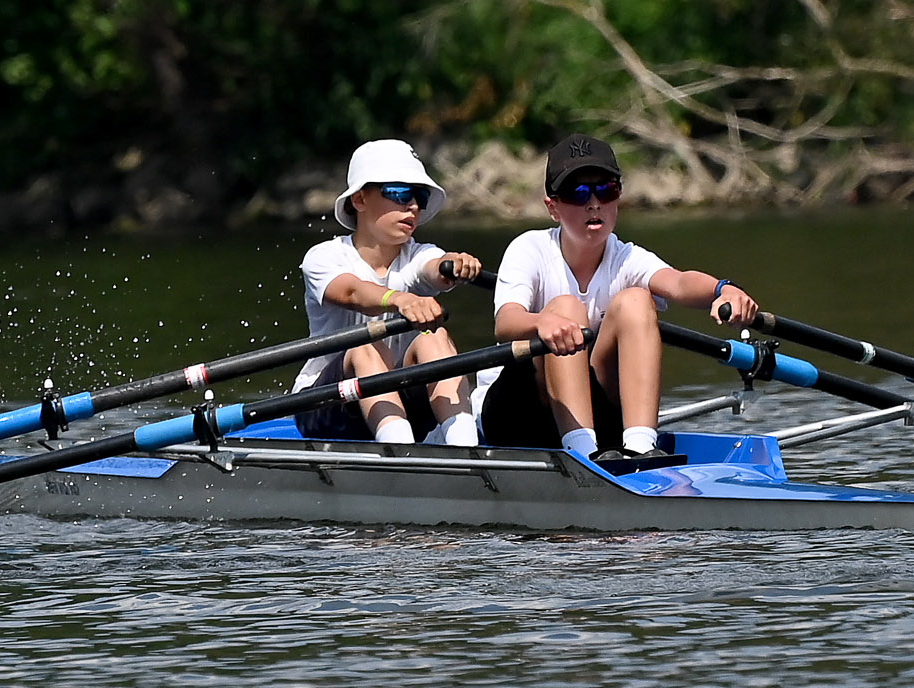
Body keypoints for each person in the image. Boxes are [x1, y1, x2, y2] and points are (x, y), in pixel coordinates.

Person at [482, 133, 758, 470]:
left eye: (606, 190)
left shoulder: (627, 258)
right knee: (566, 307)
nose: (594, 203)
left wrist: (724, 290)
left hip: (600, 419)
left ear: (618, 198)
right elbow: (506, 322)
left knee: (637, 301)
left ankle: (640, 446)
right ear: (552, 207)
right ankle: (583, 455)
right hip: (516, 417)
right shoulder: (529, 249)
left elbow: (679, 281)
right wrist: (544, 322)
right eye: (577, 192)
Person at [293, 139, 485, 446]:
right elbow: (353, 292)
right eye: (398, 192)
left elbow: (434, 267)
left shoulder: (419, 254)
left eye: (419, 196)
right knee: (367, 343)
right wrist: (398, 299)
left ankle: (464, 446)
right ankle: (401, 449)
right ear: (359, 199)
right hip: (328, 408)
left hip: (406, 400)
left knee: (434, 336)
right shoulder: (324, 256)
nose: (412, 206)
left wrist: (455, 264)